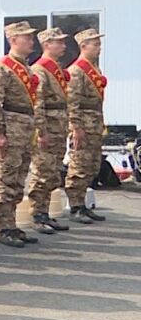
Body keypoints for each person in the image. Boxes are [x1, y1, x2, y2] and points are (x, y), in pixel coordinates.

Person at [0, 21, 40, 248]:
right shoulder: (3, 67)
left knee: (19, 179)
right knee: (6, 178)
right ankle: (4, 226)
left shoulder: (25, 67)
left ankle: (12, 223)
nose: (31, 41)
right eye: (26, 37)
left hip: (24, 128)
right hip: (11, 129)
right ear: (12, 40)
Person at [29, 28, 72, 234]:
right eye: (59, 42)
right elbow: (38, 103)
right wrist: (41, 130)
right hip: (48, 127)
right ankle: (37, 214)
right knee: (42, 172)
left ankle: (44, 212)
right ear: (47, 45)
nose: (63, 46)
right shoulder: (40, 69)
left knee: (52, 172)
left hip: (58, 127)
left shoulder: (56, 68)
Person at [66, 28, 107, 223]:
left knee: (92, 165)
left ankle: (83, 204)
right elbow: (72, 102)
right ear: (83, 46)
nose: (99, 48)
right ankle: (75, 206)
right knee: (79, 165)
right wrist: (76, 127)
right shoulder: (77, 70)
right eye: (95, 45)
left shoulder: (94, 69)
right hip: (83, 123)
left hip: (94, 123)